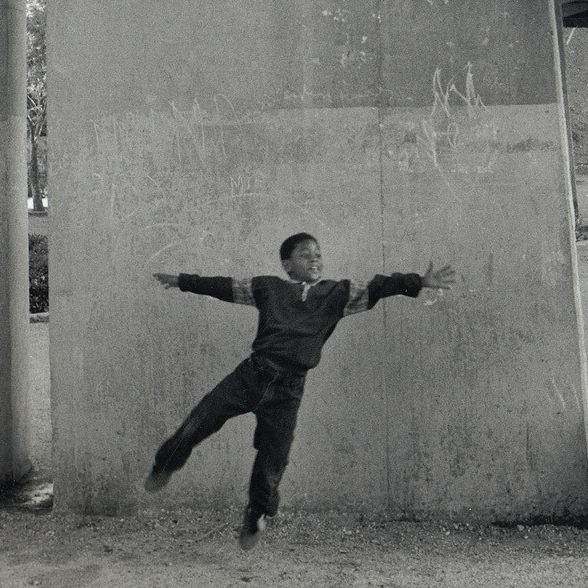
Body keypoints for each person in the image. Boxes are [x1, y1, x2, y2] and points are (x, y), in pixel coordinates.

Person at [145, 233, 457, 549]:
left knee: (273, 461)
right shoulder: (268, 288)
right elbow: (224, 286)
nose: (315, 259)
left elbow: (381, 285)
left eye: (318, 254)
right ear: (287, 265)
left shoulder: (338, 294)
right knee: (198, 421)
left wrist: (419, 281)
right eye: (305, 254)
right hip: (251, 376)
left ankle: (256, 515)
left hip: (288, 391)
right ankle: (165, 464)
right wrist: (184, 281)